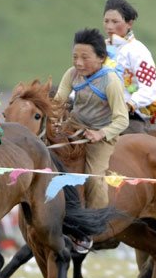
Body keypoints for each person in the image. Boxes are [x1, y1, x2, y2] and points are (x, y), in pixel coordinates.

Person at [53, 28, 129, 247]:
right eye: (75, 57)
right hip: (74, 127)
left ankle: (92, 228)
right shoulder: (71, 74)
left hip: (101, 134)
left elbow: (122, 120)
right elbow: (58, 102)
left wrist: (100, 133)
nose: (78, 63)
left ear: (101, 58)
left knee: (95, 179)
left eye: (85, 57)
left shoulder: (111, 81)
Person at [103, 0, 156, 133]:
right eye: (106, 21)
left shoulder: (138, 51)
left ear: (129, 23)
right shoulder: (99, 49)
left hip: (130, 118)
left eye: (115, 21)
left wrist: (128, 105)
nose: (109, 26)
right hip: (96, 114)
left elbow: (150, 88)